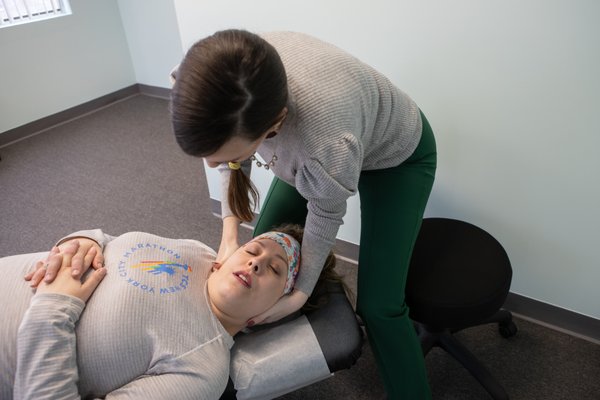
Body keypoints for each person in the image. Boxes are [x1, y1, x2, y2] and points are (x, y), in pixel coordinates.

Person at [169, 29, 437, 398]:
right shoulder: (213, 72)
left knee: (379, 308)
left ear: (274, 125)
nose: (212, 163)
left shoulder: (322, 147)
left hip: (396, 157)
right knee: (264, 239)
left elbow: (325, 216)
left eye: (223, 154)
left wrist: (298, 295)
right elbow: (230, 162)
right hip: (323, 138)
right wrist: (229, 236)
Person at [0, 225, 303, 400]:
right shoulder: (197, 251)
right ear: (222, 261)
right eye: (252, 250)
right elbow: (109, 241)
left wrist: (52, 307)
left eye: (275, 270)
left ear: (270, 312)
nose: (256, 263)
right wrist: (83, 240)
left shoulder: (203, 371)